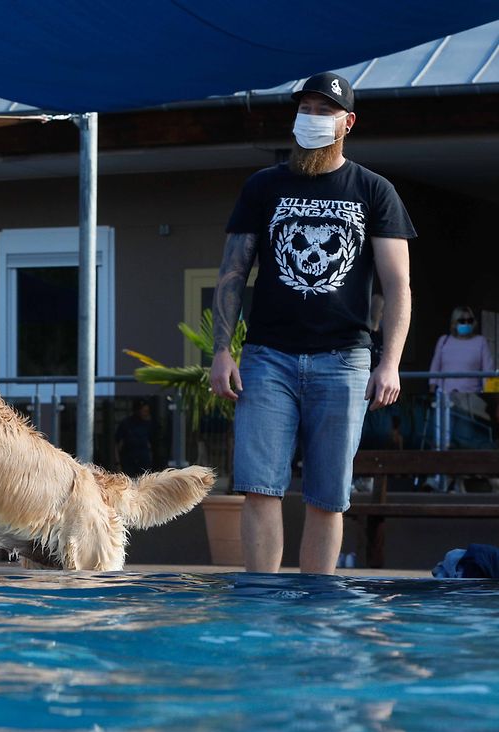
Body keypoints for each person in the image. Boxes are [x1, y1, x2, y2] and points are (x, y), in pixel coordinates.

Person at [208, 71, 415, 575]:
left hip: (344, 360)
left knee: (328, 496)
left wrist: (390, 364)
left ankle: (316, 612)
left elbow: (398, 286)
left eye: (325, 112)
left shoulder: (374, 190)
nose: (313, 120)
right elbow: (233, 271)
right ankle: (261, 606)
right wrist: (221, 351)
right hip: (267, 358)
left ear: (348, 122)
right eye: (306, 110)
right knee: (260, 487)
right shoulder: (263, 186)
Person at [429, 305, 493, 421]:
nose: (467, 324)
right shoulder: (444, 341)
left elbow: (488, 371)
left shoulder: (480, 342)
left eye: (470, 320)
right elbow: (435, 368)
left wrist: (491, 396)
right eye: (462, 321)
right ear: (454, 323)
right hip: (445, 399)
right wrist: (432, 391)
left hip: (470, 402)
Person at [114, 399, 156, 477]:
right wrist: (117, 463)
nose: (146, 414)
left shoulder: (148, 424)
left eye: (147, 411)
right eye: (144, 411)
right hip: (129, 462)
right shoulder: (126, 424)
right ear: (138, 411)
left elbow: (151, 444)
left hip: (144, 463)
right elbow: (117, 444)